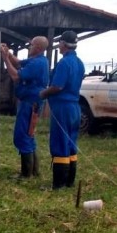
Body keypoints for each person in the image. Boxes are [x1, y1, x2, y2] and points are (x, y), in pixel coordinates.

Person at [39, 30, 85, 190]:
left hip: (63, 108)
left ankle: (58, 184)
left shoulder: (64, 63)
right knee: (71, 143)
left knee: (60, 142)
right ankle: (69, 182)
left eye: (60, 43)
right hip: (75, 107)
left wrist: (43, 93)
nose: (58, 45)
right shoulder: (79, 63)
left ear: (64, 44)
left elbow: (58, 86)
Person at [0, 37, 50, 178]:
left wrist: (5, 59)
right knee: (29, 134)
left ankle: (26, 173)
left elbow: (16, 76)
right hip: (33, 101)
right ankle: (34, 171)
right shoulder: (39, 60)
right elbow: (18, 62)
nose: (29, 47)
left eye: (31, 45)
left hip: (29, 102)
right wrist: (8, 53)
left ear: (38, 47)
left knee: (22, 135)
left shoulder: (37, 63)